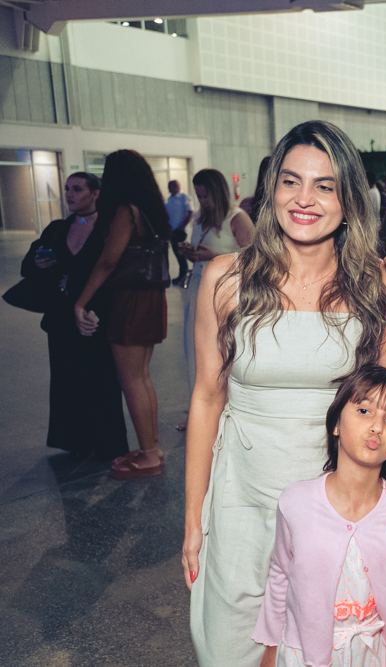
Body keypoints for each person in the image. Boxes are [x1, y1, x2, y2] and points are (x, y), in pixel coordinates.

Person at [184, 120, 386, 667]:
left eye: (325, 186)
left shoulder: (373, 283)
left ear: (349, 201)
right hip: (241, 499)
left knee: (319, 649)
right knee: (231, 646)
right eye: (290, 181)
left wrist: (378, 519)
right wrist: (193, 518)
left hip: (335, 503)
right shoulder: (226, 280)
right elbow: (208, 399)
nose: (304, 200)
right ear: (270, 191)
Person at [254, 365, 386, 667]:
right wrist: (270, 648)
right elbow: (279, 574)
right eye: (364, 411)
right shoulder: (296, 500)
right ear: (336, 424)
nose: (376, 427)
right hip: (302, 656)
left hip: (372, 657)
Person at [74, 150, 171, 479]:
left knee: (131, 380)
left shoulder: (124, 211)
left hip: (130, 298)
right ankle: (152, 448)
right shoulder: (149, 209)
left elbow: (108, 260)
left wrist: (80, 302)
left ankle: (148, 456)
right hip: (151, 297)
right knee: (142, 377)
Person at [19, 172, 128, 460]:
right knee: (67, 377)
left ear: (95, 194)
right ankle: (76, 438)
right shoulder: (58, 228)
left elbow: (113, 269)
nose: (69, 194)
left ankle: (107, 442)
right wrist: (40, 262)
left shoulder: (108, 228)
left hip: (96, 314)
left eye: (77, 189)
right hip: (61, 316)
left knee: (100, 377)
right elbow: (28, 265)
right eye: (67, 189)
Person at [176, 168, 253, 432]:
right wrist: (191, 252)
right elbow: (202, 250)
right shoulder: (199, 218)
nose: (202, 201)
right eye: (198, 196)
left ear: (217, 192)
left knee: (226, 350)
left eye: (206, 195)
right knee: (194, 348)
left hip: (227, 289)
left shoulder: (237, 218)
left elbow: (253, 258)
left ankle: (230, 411)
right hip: (198, 285)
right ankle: (200, 409)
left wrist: (212, 256)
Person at [167, 180, 194, 285]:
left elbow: (191, 212)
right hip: (172, 231)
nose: (172, 188)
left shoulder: (184, 197)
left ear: (178, 186)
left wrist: (182, 226)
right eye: (170, 186)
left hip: (181, 230)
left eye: (174, 186)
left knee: (181, 253)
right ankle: (182, 275)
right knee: (177, 254)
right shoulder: (170, 199)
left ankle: (184, 277)